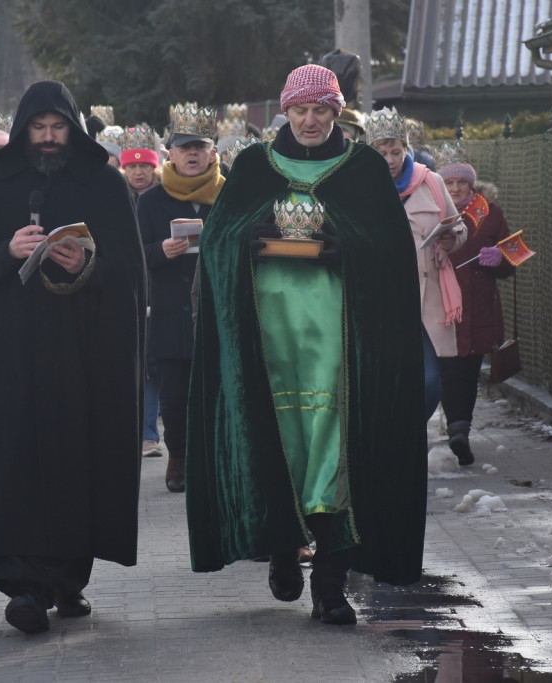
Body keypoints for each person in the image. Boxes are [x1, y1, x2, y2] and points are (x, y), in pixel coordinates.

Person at [186, 65, 427, 626]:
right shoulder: (251, 166)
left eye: (321, 109)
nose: (311, 120)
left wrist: (345, 245)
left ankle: (330, 582)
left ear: (337, 111)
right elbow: (221, 241)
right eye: (300, 110)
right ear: (285, 113)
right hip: (267, 353)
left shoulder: (364, 168)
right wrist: (252, 237)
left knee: (334, 458)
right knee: (277, 449)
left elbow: (389, 253)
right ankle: (280, 551)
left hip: (339, 354)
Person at [0, 80, 146, 634]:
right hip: (6, 359)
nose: (50, 138)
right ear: (22, 129)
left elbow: (130, 277)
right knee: (11, 464)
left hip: (79, 359)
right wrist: (3, 253)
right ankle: (23, 588)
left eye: (59, 127)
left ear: (73, 128)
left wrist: (82, 263)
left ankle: (65, 581)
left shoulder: (104, 185)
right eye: (39, 128)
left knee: (72, 464)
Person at [137, 103, 224, 493]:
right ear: (169, 153)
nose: (192, 154)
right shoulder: (151, 200)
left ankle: (214, 461)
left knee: (217, 393)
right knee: (174, 399)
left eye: (200, 147)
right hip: (171, 311)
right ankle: (179, 457)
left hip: (216, 310)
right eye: (184, 147)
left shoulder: (228, 192)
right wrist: (160, 251)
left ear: (212, 152)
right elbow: (134, 253)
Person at [366, 107, 466, 425]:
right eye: (382, 153)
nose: (390, 159)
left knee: (429, 380)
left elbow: (458, 228)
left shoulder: (431, 182)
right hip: (380, 302)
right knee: (384, 380)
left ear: (406, 149)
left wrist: (449, 242)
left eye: (396, 151)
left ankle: (410, 431)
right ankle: (393, 438)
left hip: (425, 300)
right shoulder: (363, 188)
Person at [436, 142, 515, 465]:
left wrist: (500, 258)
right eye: (449, 183)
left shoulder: (491, 214)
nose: (455, 189)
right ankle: (457, 428)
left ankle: (460, 430)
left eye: (461, 183)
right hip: (441, 303)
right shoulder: (432, 211)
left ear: (472, 184)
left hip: (480, 305)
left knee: (469, 368)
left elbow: (511, 262)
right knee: (449, 367)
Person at [120, 124, 164, 458]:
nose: (138, 172)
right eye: (132, 166)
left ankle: (150, 432)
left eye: (144, 166)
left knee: (153, 367)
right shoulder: (116, 197)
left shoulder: (164, 199)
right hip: (128, 290)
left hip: (160, 290)